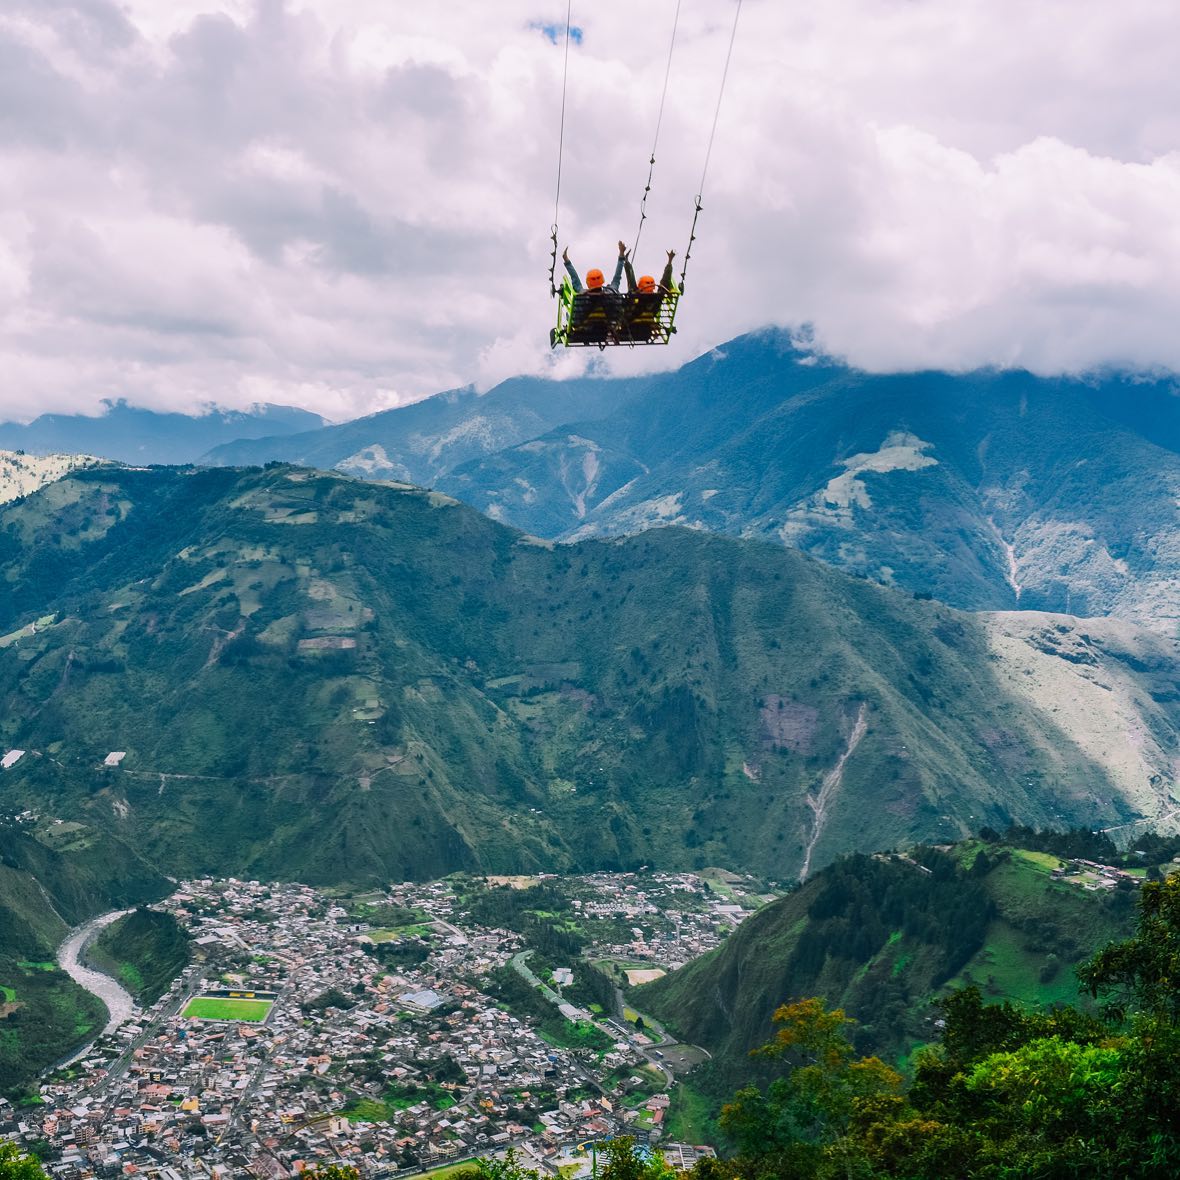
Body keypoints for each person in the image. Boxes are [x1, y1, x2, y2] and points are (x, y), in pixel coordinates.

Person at [620, 249, 678, 342]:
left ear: (640, 287)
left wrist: (626, 261)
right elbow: (665, 282)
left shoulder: (635, 296)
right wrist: (670, 261)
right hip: (645, 334)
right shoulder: (656, 299)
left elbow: (630, 279)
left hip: (628, 332)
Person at [562, 241, 627, 294]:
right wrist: (621, 253)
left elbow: (575, 280)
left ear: (588, 282)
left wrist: (567, 261)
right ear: (602, 279)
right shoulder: (611, 291)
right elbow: (617, 277)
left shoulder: (583, 294)